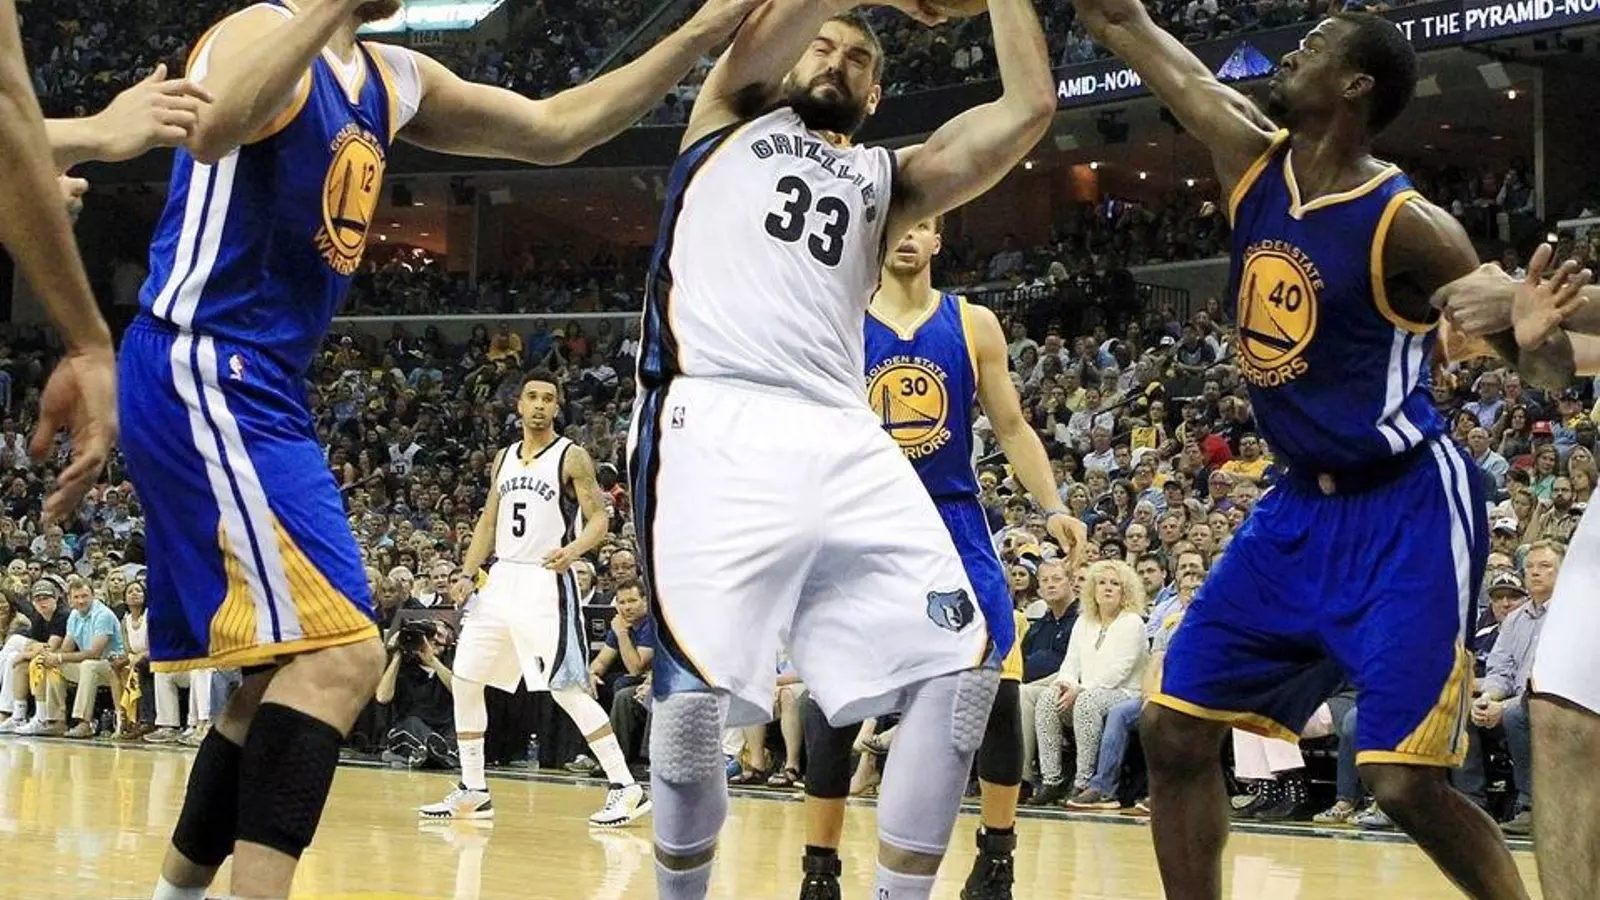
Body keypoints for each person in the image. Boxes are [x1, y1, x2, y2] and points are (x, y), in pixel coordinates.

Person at [121, 0, 765, 897]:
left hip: (259, 382)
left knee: (284, 676)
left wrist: (701, 32)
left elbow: (559, 129)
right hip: (203, 360)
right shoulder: (256, 29)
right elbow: (215, 125)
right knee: (345, 657)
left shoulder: (393, 76)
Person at [1069, 1, 1532, 895]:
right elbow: (1150, 45)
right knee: (1172, 727)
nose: (1291, 53)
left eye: (1313, 46)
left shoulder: (1414, 225)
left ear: (1354, 85)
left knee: (1401, 782)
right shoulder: (1251, 159)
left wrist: (1534, 318)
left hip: (1405, 504)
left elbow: (1530, 354)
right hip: (1295, 506)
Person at [626, 0, 1055, 895]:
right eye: (822, 45)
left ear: (878, 93)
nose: (837, 61)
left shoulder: (887, 182)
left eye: (859, 59)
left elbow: (1028, 110)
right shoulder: (726, 115)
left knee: (963, 672)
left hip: (841, 425)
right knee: (691, 719)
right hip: (713, 413)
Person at [796, 215, 1085, 900]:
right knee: (829, 700)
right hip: (862, 523)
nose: (907, 236)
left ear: (937, 242)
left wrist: (1053, 505)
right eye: (897, 224)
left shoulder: (974, 323)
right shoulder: (839, 321)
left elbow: (1011, 425)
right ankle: (820, 869)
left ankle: (997, 860)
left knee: (998, 687)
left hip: (952, 520)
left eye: (921, 225)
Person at [420, 372, 647, 827]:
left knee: (564, 688)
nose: (540, 405)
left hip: (545, 580)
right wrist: (467, 572)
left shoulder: (571, 455)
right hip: (500, 579)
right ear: (519, 406)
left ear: (557, 408)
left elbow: (599, 519)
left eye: (548, 398)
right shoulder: (503, 458)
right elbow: (488, 522)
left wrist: (574, 550)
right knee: (466, 678)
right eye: (532, 397)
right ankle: (473, 788)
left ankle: (625, 787)